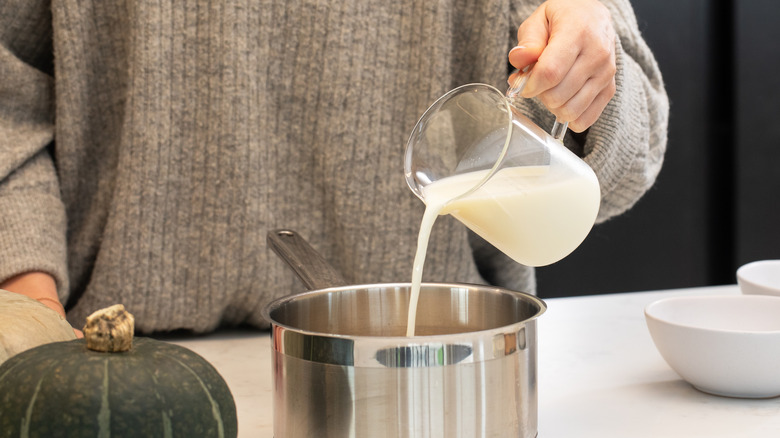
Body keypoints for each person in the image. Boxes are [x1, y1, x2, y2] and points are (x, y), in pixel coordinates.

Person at [0, 0, 668, 334]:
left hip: (443, 376)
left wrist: (587, 63)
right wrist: (33, 323)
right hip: (118, 362)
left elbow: (634, 153)